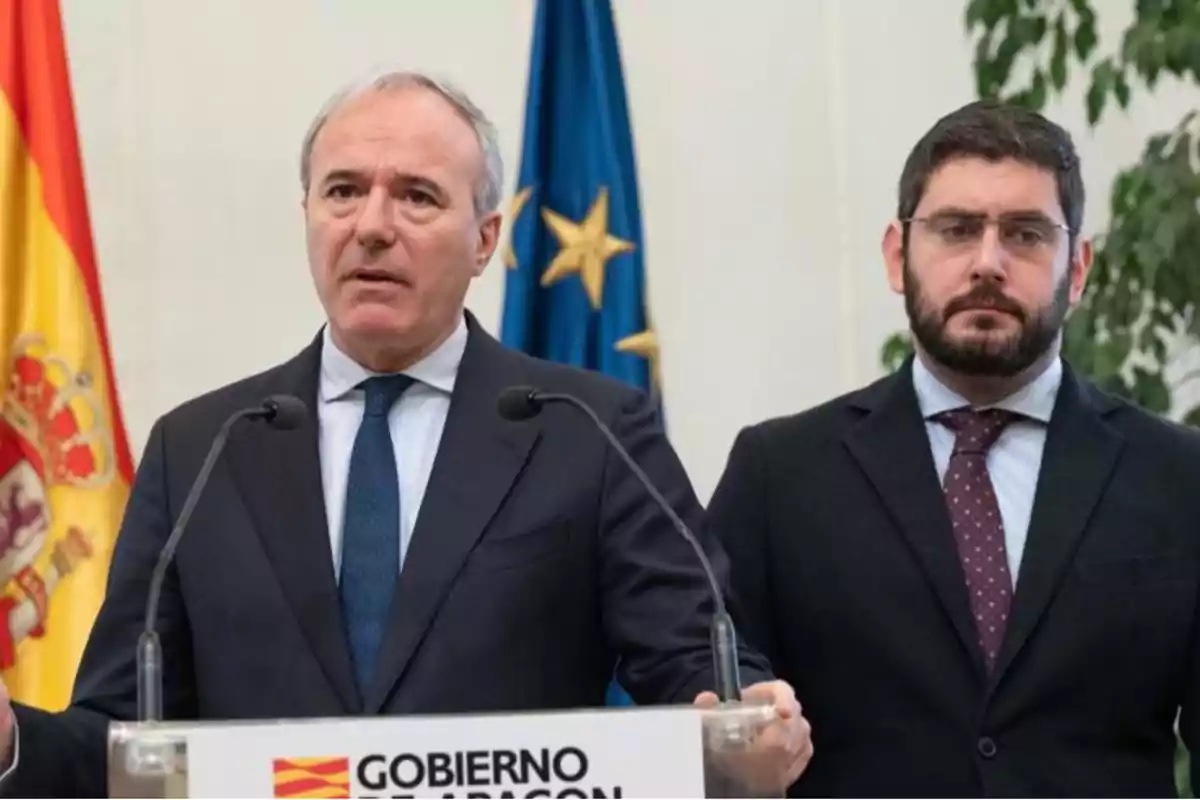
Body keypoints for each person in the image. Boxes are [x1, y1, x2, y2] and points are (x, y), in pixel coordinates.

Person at [0, 70, 812, 796]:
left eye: (417, 196)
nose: (373, 226)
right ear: (309, 216)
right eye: (343, 191)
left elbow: (699, 672)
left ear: (486, 239)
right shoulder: (203, 447)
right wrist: (11, 743)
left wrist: (747, 722)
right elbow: (123, 738)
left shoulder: (585, 430)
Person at [707, 98, 1200, 797]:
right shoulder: (779, 474)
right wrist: (743, 725)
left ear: (1079, 268)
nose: (988, 263)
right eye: (957, 229)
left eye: (1026, 234)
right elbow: (710, 680)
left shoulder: (1180, 477)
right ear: (896, 255)